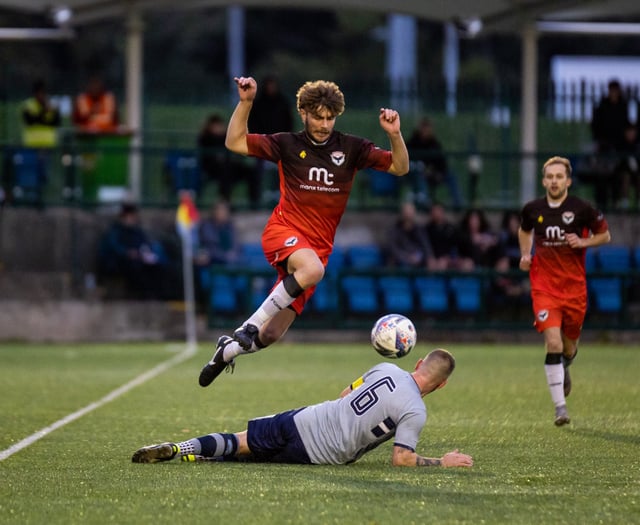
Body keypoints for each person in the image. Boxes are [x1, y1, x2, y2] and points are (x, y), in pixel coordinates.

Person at [198, 76, 409, 386]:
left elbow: (400, 167)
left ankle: (226, 352)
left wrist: (395, 135)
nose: (324, 123)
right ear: (304, 113)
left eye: (330, 117)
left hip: (316, 251)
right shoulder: (286, 143)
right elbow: (234, 142)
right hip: (284, 230)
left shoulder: (352, 148)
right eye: (318, 116)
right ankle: (248, 326)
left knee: (273, 334)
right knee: (311, 271)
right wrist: (246, 102)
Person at [134, 348, 474, 469]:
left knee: (239, 440)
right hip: (322, 453)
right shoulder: (416, 411)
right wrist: (440, 462)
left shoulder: (385, 369)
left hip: (308, 418)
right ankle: (202, 458)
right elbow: (401, 458)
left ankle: (181, 448)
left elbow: (344, 394)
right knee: (250, 458)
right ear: (441, 384)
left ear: (417, 363)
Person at [519, 156, 611, 426]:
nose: (554, 181)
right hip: (544, 286)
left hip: (574, 289)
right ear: (543, 180)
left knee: (569, 347)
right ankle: (560, 407)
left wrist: (583, 241)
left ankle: (565, 365)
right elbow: (524, 230)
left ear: (568, 181)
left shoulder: (582, 209)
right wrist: (526, 254)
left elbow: (605, 235)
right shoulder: (532, 209)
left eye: (560, 177)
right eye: (550, 177)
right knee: (554, 343)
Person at [97, 203, 168, 299]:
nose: (133, 219)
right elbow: (114, 247)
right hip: (119, 262)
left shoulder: (136, 231)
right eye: (131, 216)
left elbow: (145, 243)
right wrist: (127, 253)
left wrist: (146, 252)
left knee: (157, 266)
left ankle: (156, 295)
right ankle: (142, 294)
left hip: (140, 258)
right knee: (136, 267)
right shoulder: (115, 231)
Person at [247, 75, 295, 205]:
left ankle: (280, 200)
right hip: (262, 143)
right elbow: (252, 123)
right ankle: (256, 200)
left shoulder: (283, 103)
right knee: (258, 172)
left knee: (282, 172)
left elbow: (289, 122)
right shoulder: (259, 104)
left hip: (280, 144)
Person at [197, 114, 261, 207]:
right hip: (214, 169)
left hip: (231, 167)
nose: (218, 128)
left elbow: (236, 152)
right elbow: (206, 158)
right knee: (225, 174)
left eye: (219, 125)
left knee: (251, 172)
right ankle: (225, 205)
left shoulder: (226, 137)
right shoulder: (205, 139)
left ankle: (255, 203)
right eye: (215, 126)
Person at [406, 118, 462, 209]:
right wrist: (423, 169)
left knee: (451, 176)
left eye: (428, 128)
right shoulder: (412, 143)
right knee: (420, 177)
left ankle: (457, 203)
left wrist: (438, 172)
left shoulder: (434, 144)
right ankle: (424, 205)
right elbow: (407, 160)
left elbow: (442, 163)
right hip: (417, 174)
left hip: (434, 174)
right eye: (424, 128)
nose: (426, 131)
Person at [193, 200, 239, 302]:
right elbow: (210, 247)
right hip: (214, 264)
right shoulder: (206, 226)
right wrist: (225, 256)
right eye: (220, 210)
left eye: (225, 211)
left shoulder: (230, 227)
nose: (222, 213)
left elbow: (236, 246)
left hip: (232, 264)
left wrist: (232, 255)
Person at [387, 201, 435, 269]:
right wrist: (407, 257)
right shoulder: (394, 230)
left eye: (410, 212)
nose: (408, 214)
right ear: (401, 213)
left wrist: (428, 257)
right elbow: (393, 249)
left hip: (419, 260)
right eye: (406, 212)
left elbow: (426, 245)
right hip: (401, 261)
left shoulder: (419, 229)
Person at [21, 80, 61, 148]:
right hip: (31, 144)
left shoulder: (53, 105)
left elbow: (56, 123)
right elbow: (30, 122)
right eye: (39, 93)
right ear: (35, 93)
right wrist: (44, 112)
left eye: (43, 93)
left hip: (49, 144)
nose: (41, 95)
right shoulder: (28, 105)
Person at [424, 202, 459, 270]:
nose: (436, 213)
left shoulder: (450, 228)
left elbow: (455, 247)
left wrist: (448, 258)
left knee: (442, 264)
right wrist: (430, 257)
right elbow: (425, 246)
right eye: (434, 211)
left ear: (442, 212)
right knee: (431, 264)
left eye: (438, 211)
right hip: (432, 259)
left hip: (448, 259)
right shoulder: (427, 229)